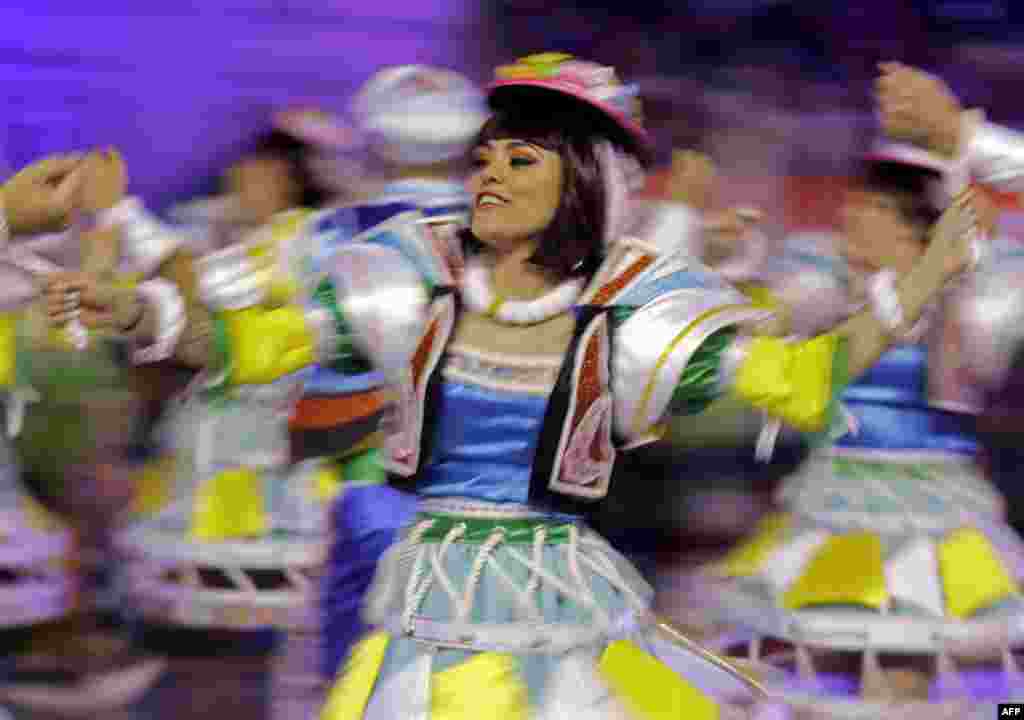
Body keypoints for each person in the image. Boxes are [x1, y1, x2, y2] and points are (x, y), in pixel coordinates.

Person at [198, 53, 977, 717]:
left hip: (552, 598)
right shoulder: (406, 276)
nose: (491, 177)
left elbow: (804, 383)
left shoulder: (634, 311)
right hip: (421, 590)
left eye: (521, 161)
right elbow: (259, 345)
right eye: (485, 159)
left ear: (580, 183)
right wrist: (137, 312)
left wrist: (925, 278)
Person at [701, 73, 1024, 710]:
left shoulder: (976, 293)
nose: (848, 215)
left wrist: (962, 155)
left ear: (915, 228)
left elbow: (977, 363)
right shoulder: (826, 284)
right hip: (831, 500)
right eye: (853, 202)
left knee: (899, 651)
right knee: (797, 653)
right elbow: (762, 338)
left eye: (871, 208)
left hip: (924, 508)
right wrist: (730, 267)